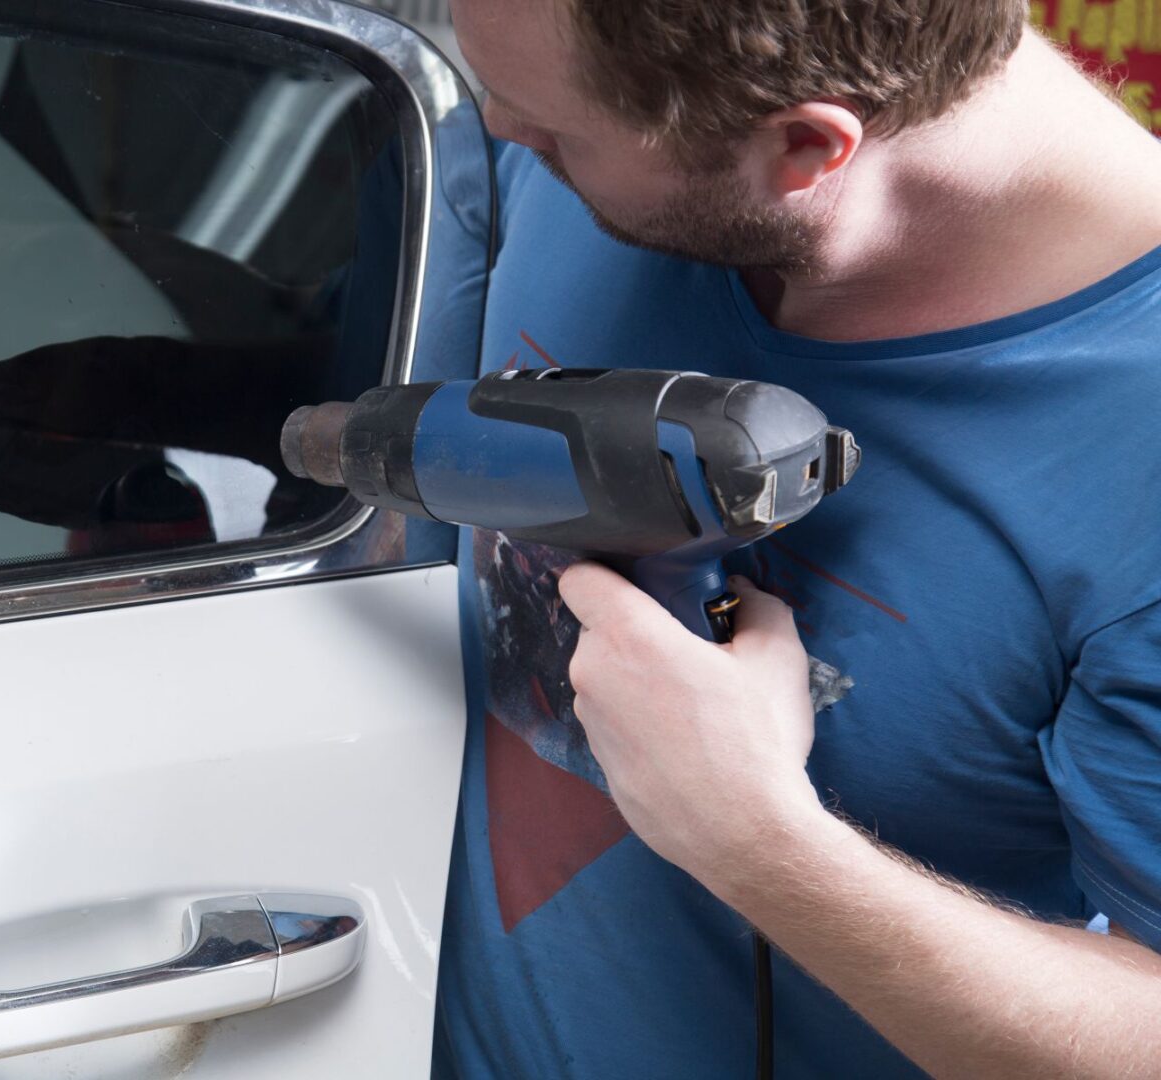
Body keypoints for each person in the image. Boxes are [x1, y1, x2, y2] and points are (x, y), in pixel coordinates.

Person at [434, 1, 1161, 1077]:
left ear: (803, 146)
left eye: (553, 132)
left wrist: (759, 842)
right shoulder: (577, 119)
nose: (498, 127)